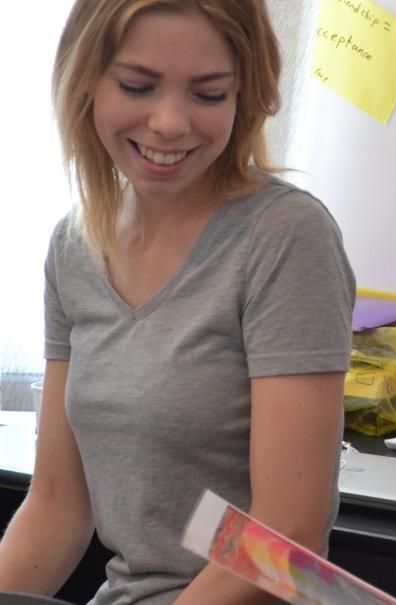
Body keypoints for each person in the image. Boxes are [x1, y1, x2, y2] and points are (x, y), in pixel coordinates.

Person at [0, 1, 355, 604]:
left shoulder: (285, 237)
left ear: (247, 96)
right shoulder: (74, 244)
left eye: (209, 94)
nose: (169, 122)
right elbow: (58, 506)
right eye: (138, 86)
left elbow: (287, 539)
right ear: (85, 81)